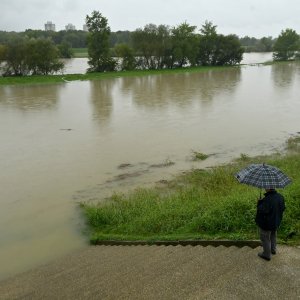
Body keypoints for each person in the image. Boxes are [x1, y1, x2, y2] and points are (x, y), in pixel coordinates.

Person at [255, 188, 285, 261]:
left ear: (268, 188)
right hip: (276, 222)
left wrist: (259, 203)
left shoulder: (267, 199)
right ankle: (273, 250)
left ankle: (266, 254)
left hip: (266, 223)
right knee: (273, 234)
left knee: (265, 238)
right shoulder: (280, 197)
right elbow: (283, 208)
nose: (265, 188)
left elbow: (262, 210)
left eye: (266, 187)